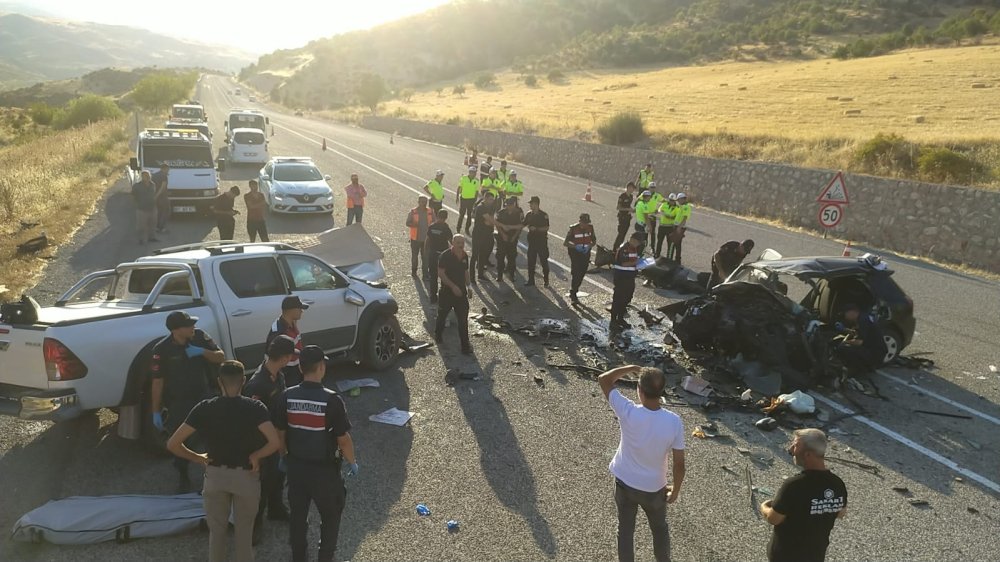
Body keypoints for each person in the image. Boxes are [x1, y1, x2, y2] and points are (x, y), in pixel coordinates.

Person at [167, 360, 280, 562]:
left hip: (215, 476)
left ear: (219, 381)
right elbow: (274, 442)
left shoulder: (205, 408)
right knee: (244, 535)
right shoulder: (255, 408)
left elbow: (173, 444)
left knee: (216, 534)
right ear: (243, 381)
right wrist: (256, 455)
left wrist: (198, 458)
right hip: (246, 476)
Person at [274, 346, 358, 562]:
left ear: (301, 368)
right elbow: (343, 439)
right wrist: (352, 461)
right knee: (330, 517)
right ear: (322, 367)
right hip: (324, 472)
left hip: (296, 469)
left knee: (298, 518)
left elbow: (280, 433)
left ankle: (299, 557)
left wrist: (284, 456)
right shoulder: (331, 400)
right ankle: (325, 557)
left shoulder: (287, 396)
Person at [599, 365, 685, 562]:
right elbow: (679, 464)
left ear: (639, 390)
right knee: (660, 530)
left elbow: (604, 379)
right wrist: (676, 490)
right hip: (654, 488)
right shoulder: (674, 421)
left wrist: (631, 367)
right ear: (662, 392)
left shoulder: (628, 411)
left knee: (625, 530)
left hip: (624, 482)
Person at [151, 311, 226, 491]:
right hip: (178, 402)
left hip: (204, 396)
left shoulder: (199, 337)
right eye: (188, 325)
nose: (193, 327)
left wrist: (202, 352)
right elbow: (158, 381)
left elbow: (221, 357)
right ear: (176, 330)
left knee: (212, 436)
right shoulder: (161, 350)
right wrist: (155, 411)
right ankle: (183, 475)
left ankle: (215, 474)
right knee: (181, 440)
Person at [761, 429, 847, 562]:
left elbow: (774, 519)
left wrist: (764, 507)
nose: (790, 450)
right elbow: (840, 513)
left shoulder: (793, 485)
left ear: (808, 454)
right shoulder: (837, 484)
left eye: (795, 446)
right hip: (815, 556)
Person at [244, 335, 298, 541]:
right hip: (263, 442)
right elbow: (251, 419)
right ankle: (255, 525)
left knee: (278, 476)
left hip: (279, 437)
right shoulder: (258, 384)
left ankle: (276, 509)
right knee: (262, 484)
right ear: (284, 357)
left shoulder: (278, 376)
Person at [435, 234, 472, 354]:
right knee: (442, 316)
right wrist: (453, 286)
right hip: (447, 293)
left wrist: (469, 286)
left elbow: (466, 271)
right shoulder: (445, 256)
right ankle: (438, 335)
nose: (461, 245)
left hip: (461, 294)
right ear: (452, 243)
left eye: (462, 242)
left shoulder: (464, 255)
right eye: (458, 242)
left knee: (463, 320)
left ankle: (465, 347)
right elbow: (441, 273)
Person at [265, 296, 309, 387]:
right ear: (291, 310)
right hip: (287, 373)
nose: (302, 311)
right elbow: (274, 359)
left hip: (295, 369)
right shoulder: (278, 332)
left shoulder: (291, 322)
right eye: (300, 309)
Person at [836, 303, 888, 375]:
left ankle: (859, 370)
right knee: (848, 347)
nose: (845, 317)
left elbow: (859, 342)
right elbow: (859, 333)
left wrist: (845, 342)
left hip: (876, 354)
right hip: (876, 351)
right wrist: (846, 330)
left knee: (845, 349)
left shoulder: (862, 320)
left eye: (845, 314)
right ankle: (866, 367)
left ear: (852, 312)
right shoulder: (863, 316)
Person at [611, 232, 643, 331]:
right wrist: (636, 263)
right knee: (618, 298)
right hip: (621, 277)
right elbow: (624, 263)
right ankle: (613, 320)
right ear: (633, 239)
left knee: (627, 297)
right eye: (638, 242)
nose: (638, 245)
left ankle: (620, 318)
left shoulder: (633, 248)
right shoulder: (624, 248)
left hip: (629, 277)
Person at [564, 213, 596, 305]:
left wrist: (589, 246)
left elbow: (593, 241)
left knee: (582, 272)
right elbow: (566, 243)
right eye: (583, 223)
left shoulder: (590, 228)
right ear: (579, 221)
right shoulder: (573, 229)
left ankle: (574, 289)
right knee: (576, 272)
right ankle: (573, 293)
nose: (584, 225)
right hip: (575, 253)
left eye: (586, 223)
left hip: (585, 253)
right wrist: (575, 246)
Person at [424, 209, 453, 303]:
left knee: (433, 276)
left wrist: (425, 252)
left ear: (437, 216)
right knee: (444, 276)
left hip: (433, 254)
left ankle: (433, 297)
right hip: (443, 255)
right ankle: (443, 296)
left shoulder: (432, 226)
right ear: (446, 218)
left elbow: (427, 240)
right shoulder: (446, 228)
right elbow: (451, 242)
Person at [469, 191, 498, 282]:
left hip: (487, 234)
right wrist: (504, 226)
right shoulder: (481, 207)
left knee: (483, 255)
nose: (492, 201)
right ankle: (472, 277)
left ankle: (480, 275)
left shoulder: (490, 207)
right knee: (474, 255)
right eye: (490, 199)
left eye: (492, 200)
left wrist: (490, 222)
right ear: (485, 198)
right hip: (478, 234)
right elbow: (490, 220)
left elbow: (490, 220)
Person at [494, 196, 524, 282]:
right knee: (500, 257)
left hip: (512, 239)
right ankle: (499, 275)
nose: (509, 207)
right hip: (502, 239)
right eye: (507, 205)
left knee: (512, 258)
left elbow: (520, 227)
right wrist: (503, 234)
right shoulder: (501, 212)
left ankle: (511, 274)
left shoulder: (518, 213)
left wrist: (514, 237)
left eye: (510, 205)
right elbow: (497, 224)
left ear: (514, 205)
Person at [523, 195, 550, 287]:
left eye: (532, 204)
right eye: (530, 204)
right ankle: (531, 280)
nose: (530, 206)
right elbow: (523, 224)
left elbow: (546, 227)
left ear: (536, 204)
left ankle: (546, 280)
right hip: (532, 242)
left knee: (544, 261)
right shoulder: (529, 214)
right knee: (531, 261)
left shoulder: (543, 215)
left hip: (541, 242)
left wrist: (537, 229)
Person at [406, 196, 435, 279]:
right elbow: (407, 223)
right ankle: (414, 272)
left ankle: (425, 275)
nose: (424, 203)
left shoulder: (430, 211)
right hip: (415, 239)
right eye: (422, 201)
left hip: (426, 239)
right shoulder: (413, 212)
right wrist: (413, 225)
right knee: (415, 257)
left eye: (425, 202)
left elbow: (434, 222)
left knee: (425, 258)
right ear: (418, 202)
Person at [131, 170, 159, 245]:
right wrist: (137, 204)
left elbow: (154, 194)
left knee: (153, 224)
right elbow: (133, 196)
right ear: (141, 177)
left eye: (147, 176)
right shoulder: (137, 186)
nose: (146, 177)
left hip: (152, 207)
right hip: (142, 208)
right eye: (144, 176)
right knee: (141, 226)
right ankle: (141, 239)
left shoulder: (153, 184)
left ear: (149, 176)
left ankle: (152, 237)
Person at [455, 166, 480, 234]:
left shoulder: (476, 180)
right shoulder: (463, 178)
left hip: (471, 200)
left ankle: (467, 229)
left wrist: (475, 200)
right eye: (473, 172)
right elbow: (459, 187)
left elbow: (477, 191)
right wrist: (457, 197)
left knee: (469, 215)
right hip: (463, 199)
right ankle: (458, 228)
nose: (474, 174)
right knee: (461, 214)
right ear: (470, 172)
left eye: (475, 172)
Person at [613, 182, 636, 251]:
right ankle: (615, 249)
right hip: (622, 217)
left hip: (628, 217)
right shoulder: (622, 196)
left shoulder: (631, 197)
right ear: (628, 187)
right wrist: (627, 209)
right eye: (632, 188)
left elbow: (628, 206)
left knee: (624, 235)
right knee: (620, 234)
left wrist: (631, 210)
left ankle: (619, 249)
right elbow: (618, 207)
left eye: (633, 189)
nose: (633, 190)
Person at [669, 193, 692, 262]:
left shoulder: (686, 207)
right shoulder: (681, 206)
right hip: (677, 226)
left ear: (683, 199)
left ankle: (675, 259)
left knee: (675, 244)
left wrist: (679, 227)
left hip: (679, 227)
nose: (678, 201)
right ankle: (677, 259)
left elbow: (684, 218)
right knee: (677, 244)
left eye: (679, 200)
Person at [655, 194, 679, 258]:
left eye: (673, 200)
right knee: (659, 242)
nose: (671, 202)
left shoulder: (677, 208)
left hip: (670, 228)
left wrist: (670, 217)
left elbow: (676, 216)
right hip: (662, 226)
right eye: (670, 200)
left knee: (670, 244)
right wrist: (664, 213)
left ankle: (669, 257)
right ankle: (657, 255)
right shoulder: (664, 204)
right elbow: (660, 210)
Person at [645, 182, 664, 251]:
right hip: (646, 215)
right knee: (645, 232)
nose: (652, 189)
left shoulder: (657, 195)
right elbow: (639, 200)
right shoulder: (645, 194)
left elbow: (664, 202)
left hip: (653, 216)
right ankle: (644, 246)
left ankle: (652, 247)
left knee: (652, 232)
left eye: (654, 188)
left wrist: (658, 209)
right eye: (651, 187)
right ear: (648, 188)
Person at [152, 164, 170, 234]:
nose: (168, 171)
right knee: (166, 212)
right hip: (162, 197)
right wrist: (157, 195)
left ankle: (156, 227)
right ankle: (162, 228)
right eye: (168, 169)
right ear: (165, 168)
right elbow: (163, 187)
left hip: (155, 196)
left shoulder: (154, 175)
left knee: (158, 212)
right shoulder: (164, 176)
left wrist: (154, 196)